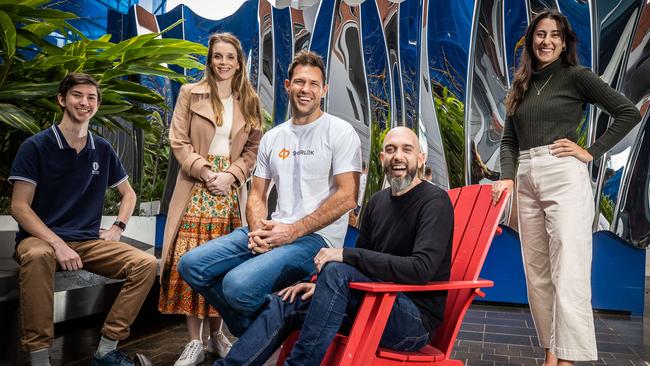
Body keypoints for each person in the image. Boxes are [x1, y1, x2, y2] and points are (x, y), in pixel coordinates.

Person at [214, 126, 453, 366]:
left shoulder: (434, 202)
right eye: (390, 150)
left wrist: (344, 257)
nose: (397, 156)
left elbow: (421, 269)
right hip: (372, 303)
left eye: (406, 150)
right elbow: (362, 261)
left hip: (412, 321)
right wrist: (321, 286)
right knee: (286, 301)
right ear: (382, 159)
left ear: (420, 159)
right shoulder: (377, 203)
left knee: (337, 269)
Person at [177, 50, 362, 339]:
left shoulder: (340, 132)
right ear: (288, 86)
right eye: (299, 82)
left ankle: (268, 321)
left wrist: (292, 231)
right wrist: (257, 230)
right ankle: (263, 324)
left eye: (314, 84)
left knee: (236, 287)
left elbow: (348, 196)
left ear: (324, 90)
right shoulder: (274, 137)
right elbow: (257, 194)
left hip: (316, 240)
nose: (306, 90)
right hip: (273, 228)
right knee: (191, 265)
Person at [491, 10, 641, 365]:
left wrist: (589, 152)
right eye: (541, 34)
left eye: (555, 35)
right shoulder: (522, 84)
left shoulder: (576, 77)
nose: (547, 41)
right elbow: (509, 141)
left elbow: (627, 112)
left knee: (569, 270)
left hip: (563, 174)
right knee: (538, 273)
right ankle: (550, 354)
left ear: (564, 42)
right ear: (531, 40)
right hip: (525, 176)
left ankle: (569, 359)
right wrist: (509, 176)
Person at [9, 73, 158, 366]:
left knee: (146, 264)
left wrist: (118, 227)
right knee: (38, 256)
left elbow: (129, 194)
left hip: (88, 241)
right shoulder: (36, 146)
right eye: (78, 95)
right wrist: (57, 244)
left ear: (97, 105)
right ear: (62, 100)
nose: (85, 102)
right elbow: (19, 207)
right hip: (39, 240)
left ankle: (105, 350)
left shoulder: (101, 148)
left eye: (91, 97)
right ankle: (39, 360)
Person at [157, 33, 263, 366]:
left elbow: (254, 149)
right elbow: (178, 141)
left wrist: (232, 175)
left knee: (224, 266)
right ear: (210, 59)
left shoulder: (250, 99)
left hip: (230, 191)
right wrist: (205, 172)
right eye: (218, 56)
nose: (223, 63)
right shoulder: (190, 93)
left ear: (239, 61)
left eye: (230, 56)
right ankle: (194, 342)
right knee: (190, 260)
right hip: (195, 185)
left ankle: (218, 335)